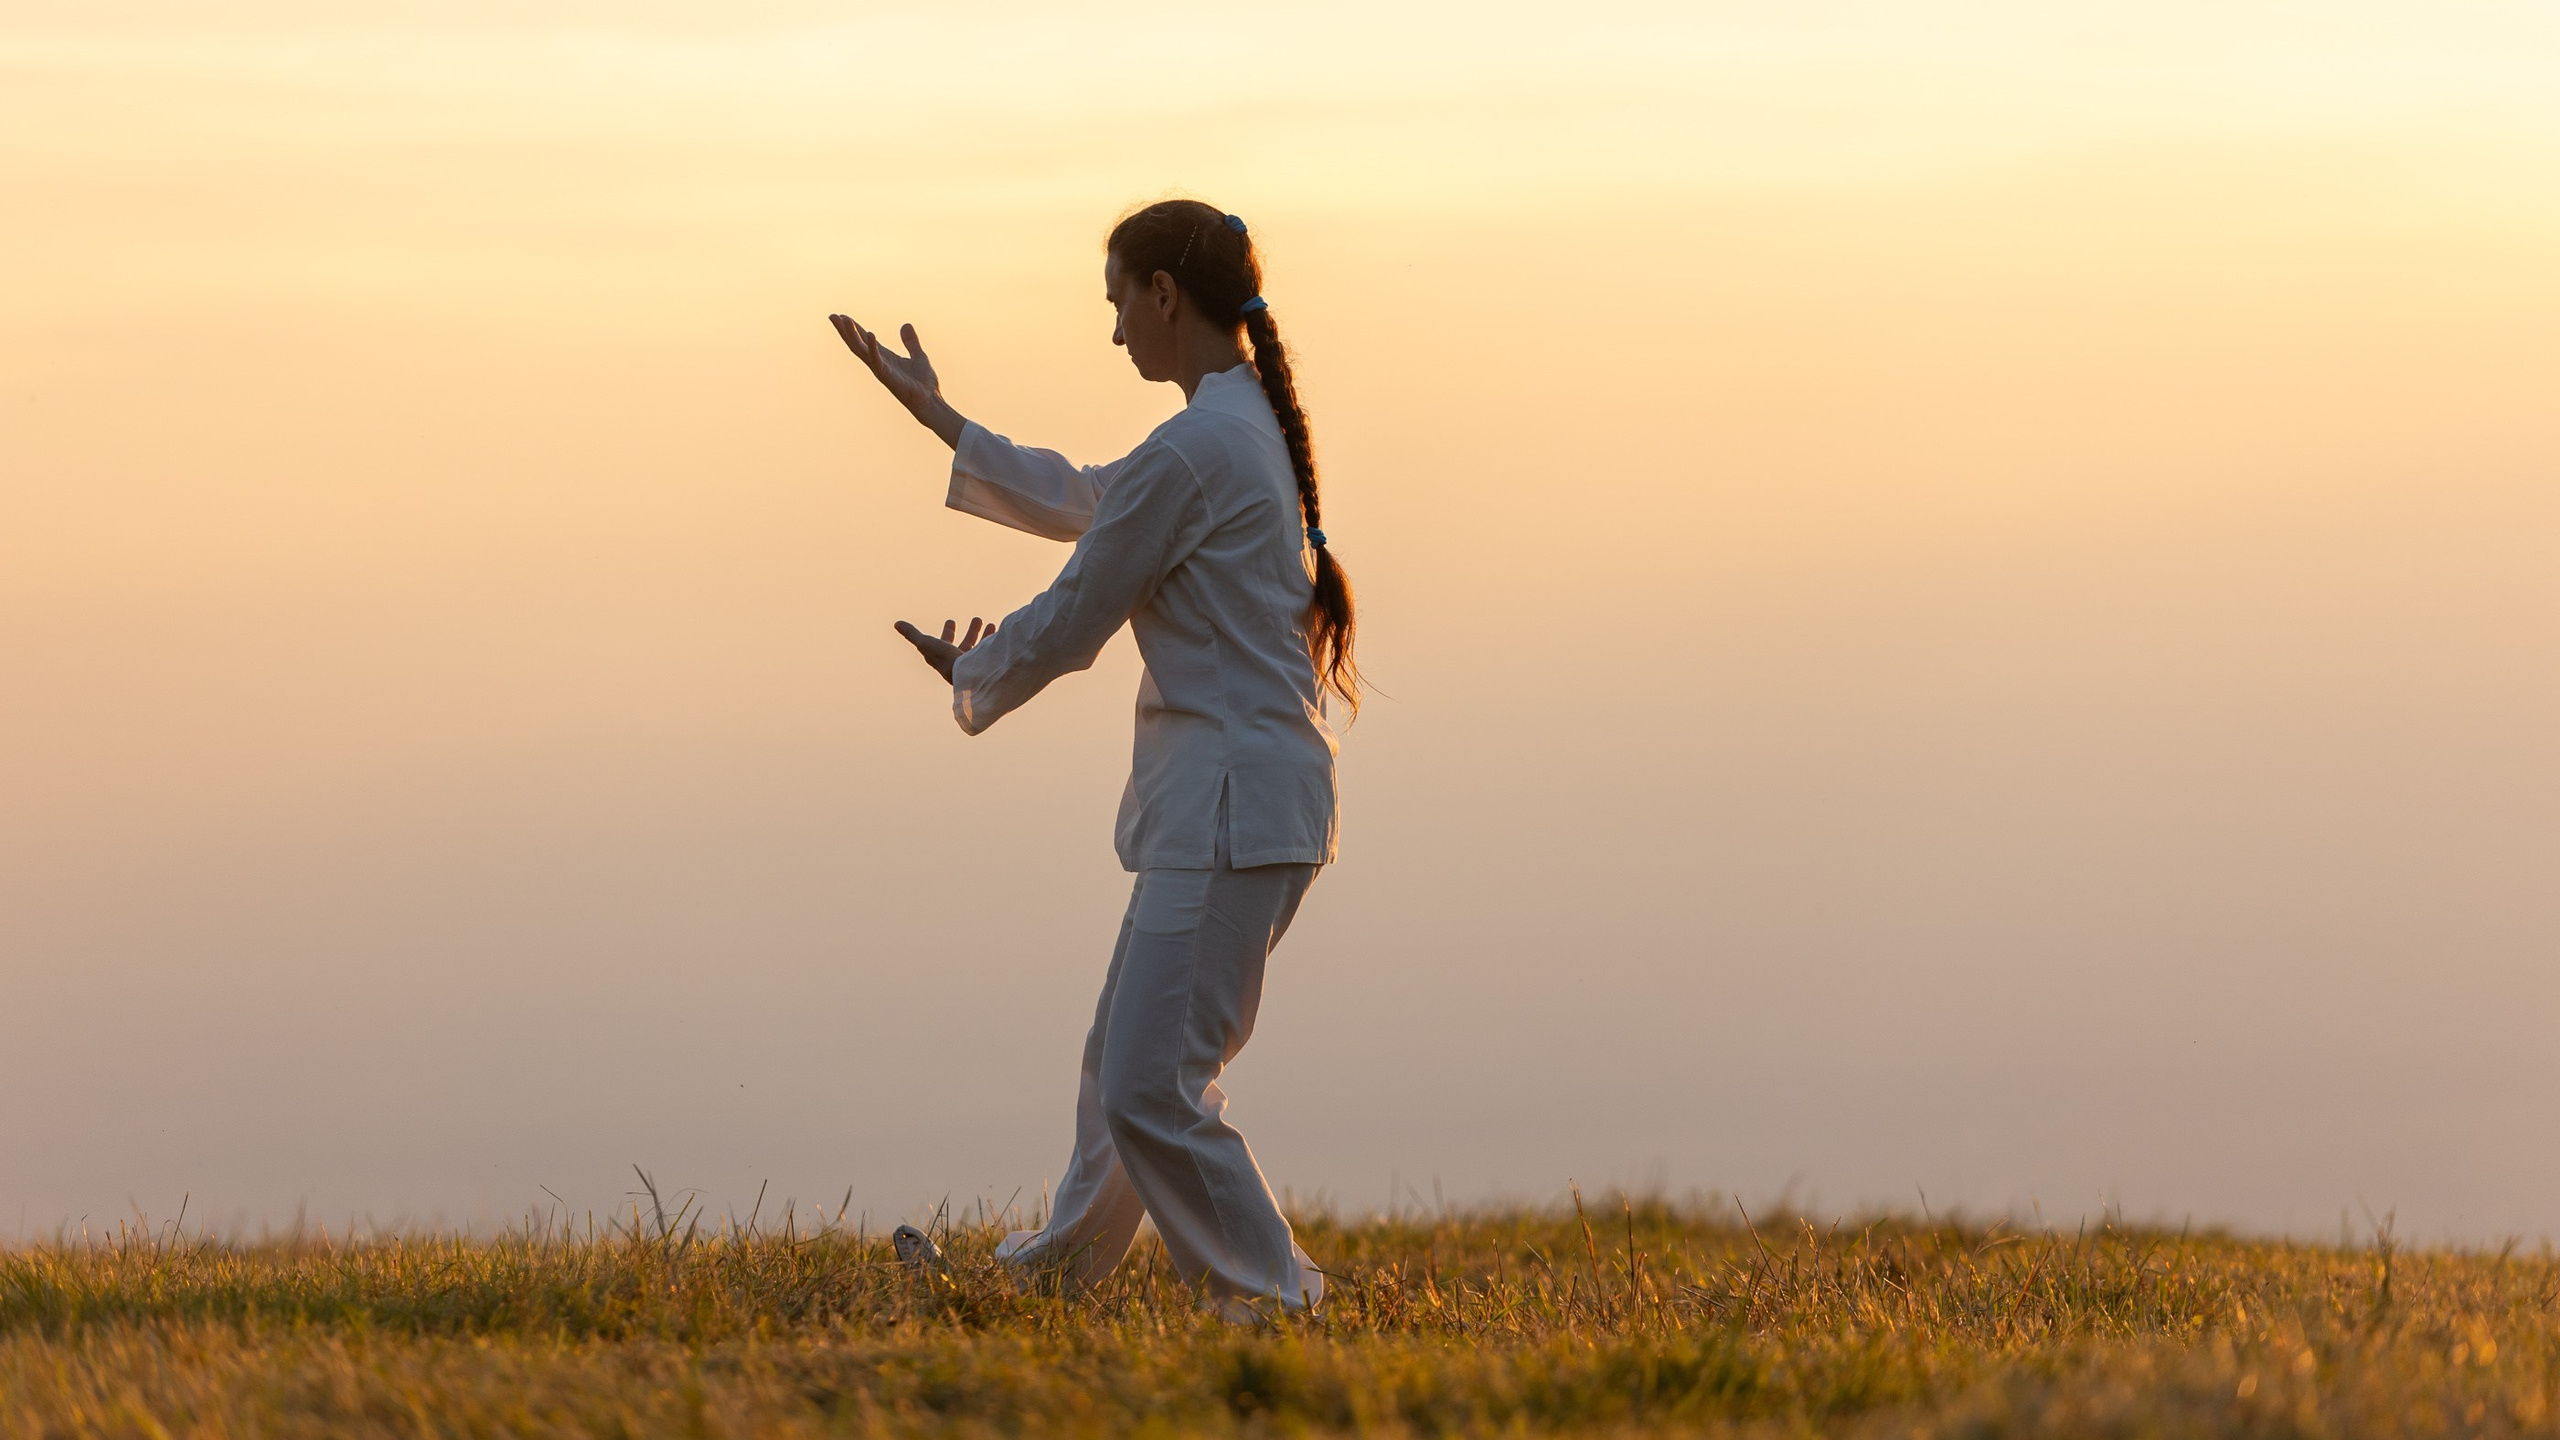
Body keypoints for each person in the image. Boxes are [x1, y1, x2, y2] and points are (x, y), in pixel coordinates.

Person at [829, 199, 1358, 1317]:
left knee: (1149, 1085)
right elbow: (1092, 499)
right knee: (1119, 1061)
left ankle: (1280, 1304)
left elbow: (1078, 611)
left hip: (1231, 815)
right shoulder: (1228, 432)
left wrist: (975, 670)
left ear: (1165, 294)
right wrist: (944, 422)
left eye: (1118, 299)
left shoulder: (1203, 445)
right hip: (1235, 811)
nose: (1114, 330)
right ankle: (1046, 1280)